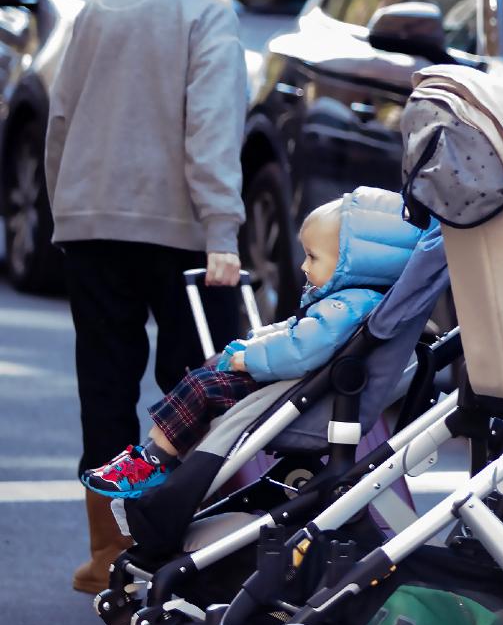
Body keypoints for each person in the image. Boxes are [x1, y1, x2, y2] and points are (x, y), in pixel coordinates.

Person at [45, 0, 247, 593]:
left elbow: (60, 124)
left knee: (104, 386)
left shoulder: (94, 11)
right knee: (194, 386)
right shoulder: (204, 15)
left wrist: (64, 210)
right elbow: (212, 132)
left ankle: (108, 549)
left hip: (91, 227)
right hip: (184, 233)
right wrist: (222, 231)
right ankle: (180, 541)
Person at [79, 188, 423, 499]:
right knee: (205, 379)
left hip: (292, 392)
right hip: (295, 389)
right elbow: (298, 333)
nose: (303, 266)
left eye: (313, 257)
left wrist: (252, 358)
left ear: (353, 262)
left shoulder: (346, 306)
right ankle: (152, 456)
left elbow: (303, 349)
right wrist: (258, 340)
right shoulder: (350, 301)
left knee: (202, 387)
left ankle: (153, 461)